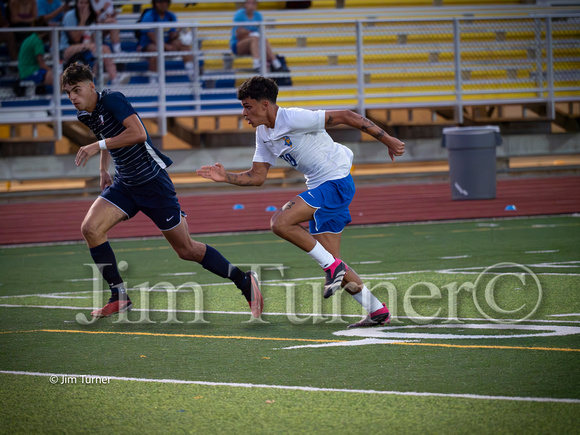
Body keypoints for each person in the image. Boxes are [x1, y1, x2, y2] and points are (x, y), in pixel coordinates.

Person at [197, 76, 405, 328]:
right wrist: (226, 177)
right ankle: (376, 310)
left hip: (336, 182)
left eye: (248, 106)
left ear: (265, 105)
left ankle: (334, 268)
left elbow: (348, 116)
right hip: (323, 187)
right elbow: (257, 176)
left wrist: (388, 140)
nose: (244, 113)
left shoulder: (293, 117)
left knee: (280, 222)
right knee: (330, 261)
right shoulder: (263, 134)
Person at [62, 63, 263, 319]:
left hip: (153, 183)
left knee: (186, 250)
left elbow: (138, 134)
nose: (72, 97)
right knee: (90, 229)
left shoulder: (112, 99)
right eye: (68, 93)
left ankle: (244, 281)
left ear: (91, 87)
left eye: (76, 90)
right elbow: (105, 135)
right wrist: (104, 169)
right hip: (125, 184)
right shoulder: (85, 114)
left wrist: (96, 145)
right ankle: (119, 295)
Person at [59, 0, 127, 85]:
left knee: (103, 49)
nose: (83, 5)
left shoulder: (90, 16)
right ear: (77, 4)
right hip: (66, 49)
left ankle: (112, 79)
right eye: (81, 2)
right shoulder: (69, 16)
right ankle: (108, 78)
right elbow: (75, 39)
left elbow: (91, 39)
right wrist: (83, 21)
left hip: (83, 48)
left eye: (86, 3)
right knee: (101, 48)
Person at [136, 0, 195, 83]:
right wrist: (165, 46)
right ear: (155, 3)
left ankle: (192, 74)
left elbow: (172, 35)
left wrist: (180, 33)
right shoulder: (149, 15)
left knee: (183, 46)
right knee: (155, 50)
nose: (163, 4)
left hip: (166, 43)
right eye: (160, 2)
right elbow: (150, 34)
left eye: (165, 2)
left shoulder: (171, 16)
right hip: (149, 44)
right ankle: (153, 80)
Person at [230, 0, 283, 72]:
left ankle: (273, 62)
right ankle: (259, 62)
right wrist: (250, 34)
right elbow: (238, 34)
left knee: (263, 40)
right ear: (245, 4)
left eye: (253, 3)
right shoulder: (239, 15)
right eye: (249, 3)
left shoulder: (258, 16)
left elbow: (259, 32)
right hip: (238, 44)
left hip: (254, 44)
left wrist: (249, 34)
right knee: (254, 38)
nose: (251, 5)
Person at [18, 17, 53, 88]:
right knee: (57, 78)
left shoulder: (32, 37)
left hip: (26, 71)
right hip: (29, 72)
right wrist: (52, 71)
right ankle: (56, 98)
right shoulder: (37, 41)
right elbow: (41, 64)